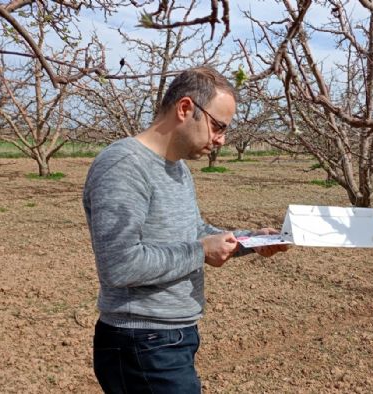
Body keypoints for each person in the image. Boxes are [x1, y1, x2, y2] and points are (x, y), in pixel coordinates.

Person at [82, 66, 288, 394]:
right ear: (185, 109)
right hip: (142, 344)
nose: (221, 140)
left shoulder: (177, 169)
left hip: (169, 339)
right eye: (218, 126)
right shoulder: (122, 166)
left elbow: (193, 230)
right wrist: (201, 251)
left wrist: (251, 240)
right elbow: (120, 265)